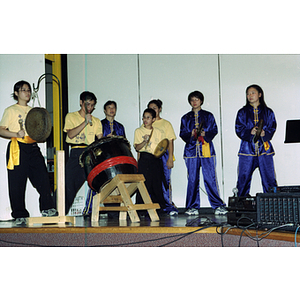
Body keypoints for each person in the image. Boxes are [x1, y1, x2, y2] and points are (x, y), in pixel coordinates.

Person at [0, 80, 57, 225]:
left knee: (43, 178)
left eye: (28, 90)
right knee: (17, 183)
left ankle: (47, 208)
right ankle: (19, 214)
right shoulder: (11, 110)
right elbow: (1, 130)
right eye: (23, 90)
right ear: (16, 93)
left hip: (32, 147)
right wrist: (15, 133)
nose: (27, 92)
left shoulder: (33, 111)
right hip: (17, 147)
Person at [179, 90, 226, 215]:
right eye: (192, 100)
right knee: (192, 180)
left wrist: (206, 134)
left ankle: (218, 206)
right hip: (191, 152)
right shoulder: (185, 118)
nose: (194, 102)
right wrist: (191, 134)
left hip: (206, 151)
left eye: (197, 99)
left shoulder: (208, 115)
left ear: (201, 101)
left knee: (211, 178)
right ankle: (192, 207)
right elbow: (182, 133)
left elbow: (214, 130)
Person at [82, 100, 126, 216]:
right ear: (105, 110)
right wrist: (106, 139)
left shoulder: (120, 126)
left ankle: (116, 211)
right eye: (109, 108)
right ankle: (89, 210)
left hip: (116, 161)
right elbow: (95, 143)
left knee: (117, 185)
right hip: (102, 160)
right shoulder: (99, 124)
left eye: (113, 108)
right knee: (96, 184)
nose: (112, 110)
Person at [64, 91, 103, 215]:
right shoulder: (71, 116)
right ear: (81, 103)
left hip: (89, 153)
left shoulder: (96, 121)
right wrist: (85, 122)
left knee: (96, 183)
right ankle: (59, 213)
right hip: (76, 151)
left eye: (92, 105)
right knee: (69, 186)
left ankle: (96, 212)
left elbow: (100, 138)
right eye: (87, 104)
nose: (90, 108)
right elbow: (70, 134)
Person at [235, 84, 277, 196]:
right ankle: (240, 207)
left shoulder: (268, 112)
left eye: (253, 93)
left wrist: (265, 134)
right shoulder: (242, 112)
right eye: (248, 94)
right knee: (243, 178)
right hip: (247, 150)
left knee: (269, 179)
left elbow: (272, 127)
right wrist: (250, 132)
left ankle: (271, 207)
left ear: (259, 94)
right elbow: (239, 128)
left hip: (265, 150)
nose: (250, 95)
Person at [147, 99, 178, 216]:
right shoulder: (147, 123)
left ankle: (167, 205)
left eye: (155, 108)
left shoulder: (166, 124)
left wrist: (170, 157)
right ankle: (152, 206)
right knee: (150, 181)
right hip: (150, 156)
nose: (153, 110)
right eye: (150, 108)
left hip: (164, 155)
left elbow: (170, 141)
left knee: (165, 180)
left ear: (160, 109)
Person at [134, 108, 166, 215]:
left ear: (153, 119)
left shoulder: (159, 132)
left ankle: (159, 209)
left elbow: (162, 146)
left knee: (156, 184)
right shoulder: (138, 131)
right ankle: (141, 210)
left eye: (148, 117)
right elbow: (137, 148)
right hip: (145, 159)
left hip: (155, 159)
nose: (145, 120)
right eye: (144, 117)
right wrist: (144, 141)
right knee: (143, 184)